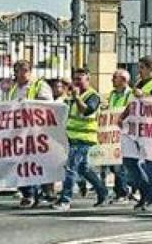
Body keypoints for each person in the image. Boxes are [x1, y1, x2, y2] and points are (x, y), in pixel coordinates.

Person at [52, 69, 109, 211]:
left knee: (70, 168)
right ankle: (102, 192)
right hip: (72, 138)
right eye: (75, 79)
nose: (77, 82)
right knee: (84, 169)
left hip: (84, 139)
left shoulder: (93, 96)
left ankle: (65, 200)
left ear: (88, 80)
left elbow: (86, 111)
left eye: (80, 79)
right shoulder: (73, 95)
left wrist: (77, 98)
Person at [119, 55, 152, 212]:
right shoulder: (139, 83)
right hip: (135, 130)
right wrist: (122, 116)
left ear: (151, 68)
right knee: (129, 161)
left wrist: (144, 96)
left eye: (142, 67)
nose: (139, 71)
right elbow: (132, 103)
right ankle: (145, 194)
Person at [8, 59, 54, 207]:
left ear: (30, 71)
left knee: (32, 164)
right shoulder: (14, 88)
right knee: (16, 164)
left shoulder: (40, 85)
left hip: (36, 132)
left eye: (24, 71)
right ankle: (29, 192)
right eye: (18, 71)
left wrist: (27, 104)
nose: (21, 74)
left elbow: (48, 105)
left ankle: (32, 194)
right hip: (18, 131)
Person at [103, 69, 133, 204]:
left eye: (115, 77)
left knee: (119, 165)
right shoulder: (113, 94)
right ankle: (126, 190)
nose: (112, 80)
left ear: (124, 80)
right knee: (113, 164)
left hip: (125, 133)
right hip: (112, 134)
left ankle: (122, 193)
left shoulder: (130, 94)